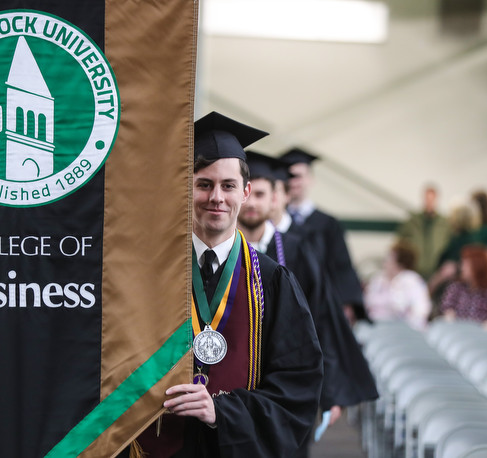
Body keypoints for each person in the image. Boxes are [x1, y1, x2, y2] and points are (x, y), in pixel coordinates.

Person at [134, 112, 323, 457]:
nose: (216, 197)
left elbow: (296, 386)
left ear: (246, 192)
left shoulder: (272, 282)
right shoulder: (148, 277)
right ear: (184, 187)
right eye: (203, 184)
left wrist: (222, 411)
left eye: (228, 186)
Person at [237, 152, 378, 444]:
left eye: (261, 194)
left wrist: (330, 392)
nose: (251, 204)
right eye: (247, 194)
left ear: (276, 197)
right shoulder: (221, 252)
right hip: (235, 381)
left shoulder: (297, 251)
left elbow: (321, 321)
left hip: (285, 382)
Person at [279, 147, 366, 324]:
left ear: (311, 179)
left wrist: (347, 303)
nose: (294, 181)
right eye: (290, 176)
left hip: (323, 308)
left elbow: (342, 266)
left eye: (299, 176)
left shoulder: (328, 223)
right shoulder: (276, 223)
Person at [440, 245, 487, 330]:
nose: (462, 268)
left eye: (465, 264)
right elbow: (446, 307)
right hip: (457, 333)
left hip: (484, 337)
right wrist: (449, 316)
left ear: (477, 266)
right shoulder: (456, 288)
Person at [364, 240, 431, 330]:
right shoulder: (378, 280)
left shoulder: (412, 281)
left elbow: (421, 310)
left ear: (401, 264)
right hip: (376, 328)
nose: (385, 262)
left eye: (390, 258)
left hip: (403, 330)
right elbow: (367, 304)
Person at [397, 185, 452, 279]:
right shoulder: (413, 222)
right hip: (416, 269)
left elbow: (449, 245)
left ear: (436, 200)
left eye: (431, 199)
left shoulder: (444, 224)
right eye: (427, 199)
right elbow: (400, 241)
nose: (429, 203)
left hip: (436, 270)